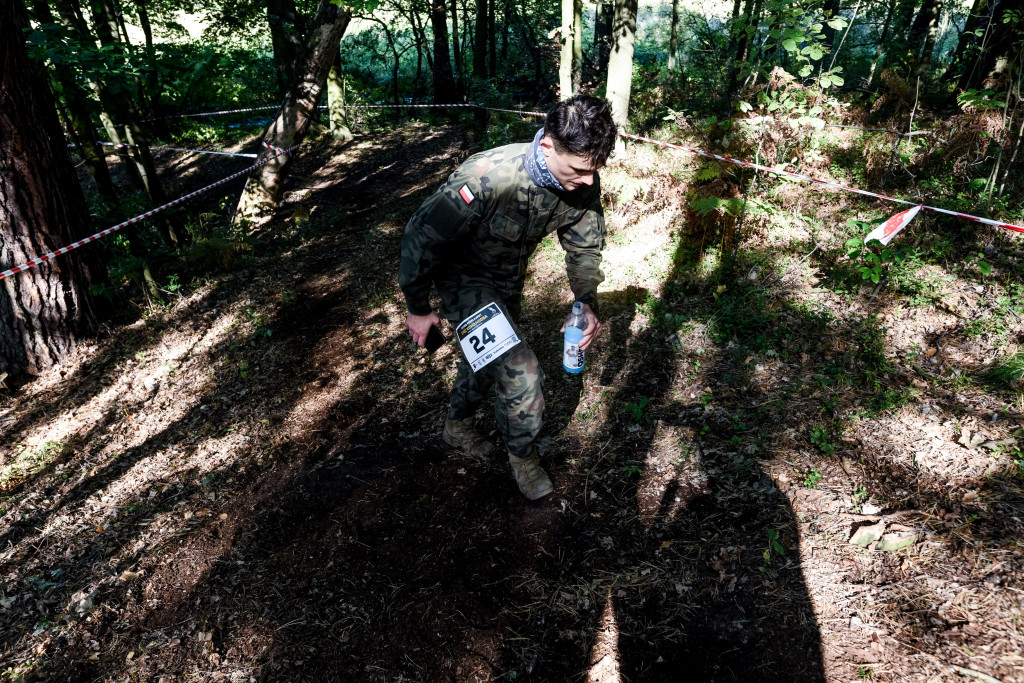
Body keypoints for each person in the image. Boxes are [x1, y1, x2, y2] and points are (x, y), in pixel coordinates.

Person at [398, 95, 617, 500]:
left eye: (595, 171)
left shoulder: (582, 178)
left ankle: (457, 425)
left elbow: (584, 248)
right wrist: (417, 307)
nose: (589, 181)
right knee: (523, 372)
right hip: (461, 280)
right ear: (549, 145)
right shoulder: (488, 177)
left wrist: (586, 300)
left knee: (485, 361)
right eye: (581, 170)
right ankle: (523, 458)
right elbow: (421, 235)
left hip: (505, 283)